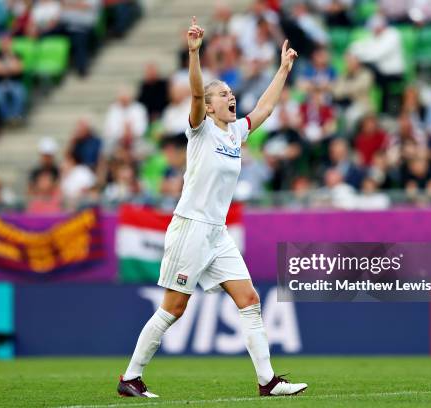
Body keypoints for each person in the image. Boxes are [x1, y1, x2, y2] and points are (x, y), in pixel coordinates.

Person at [117, 17, 307, 398]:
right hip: (190, 227)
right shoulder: (200, 129)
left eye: (231, 93)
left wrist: (283, 69)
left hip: (217, 233)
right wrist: (194, 52)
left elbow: (266, 108)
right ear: (209, 105)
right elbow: (194, 93)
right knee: (173, 308)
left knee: (250, 298)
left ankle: (268, 382)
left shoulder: (235, 132)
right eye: (222, 94)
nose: (230, 97)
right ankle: (130, 378)